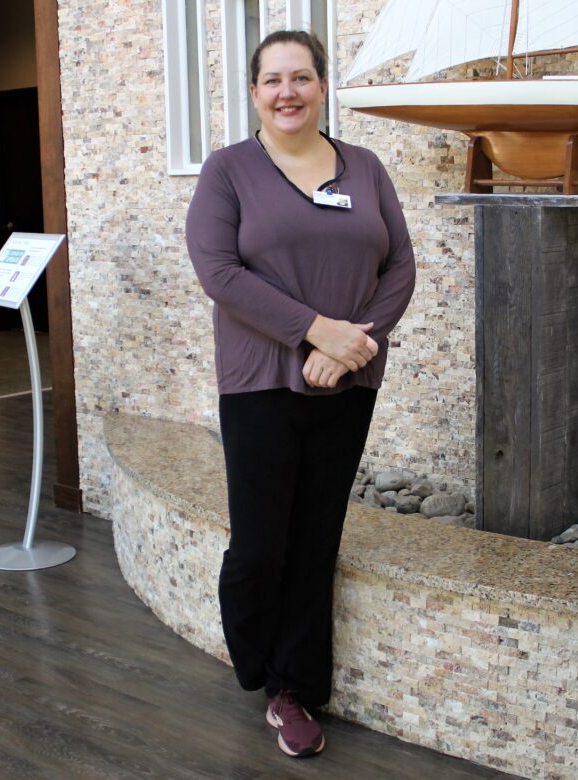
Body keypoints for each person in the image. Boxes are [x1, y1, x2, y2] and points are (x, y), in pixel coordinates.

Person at [185, 30, 416, 758]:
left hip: (348, 386)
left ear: (322, 88)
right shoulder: (229, 171)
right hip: (259, 383)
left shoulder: (368, 168)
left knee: (317, 541)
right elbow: (219, 273)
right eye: (273, 80)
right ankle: (253, 660)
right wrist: (317, 332)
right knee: (259, 545)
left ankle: (292, 689)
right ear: (255, 93)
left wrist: (353, 345)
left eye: (302, 78)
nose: (288, 91)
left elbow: (400, 267)